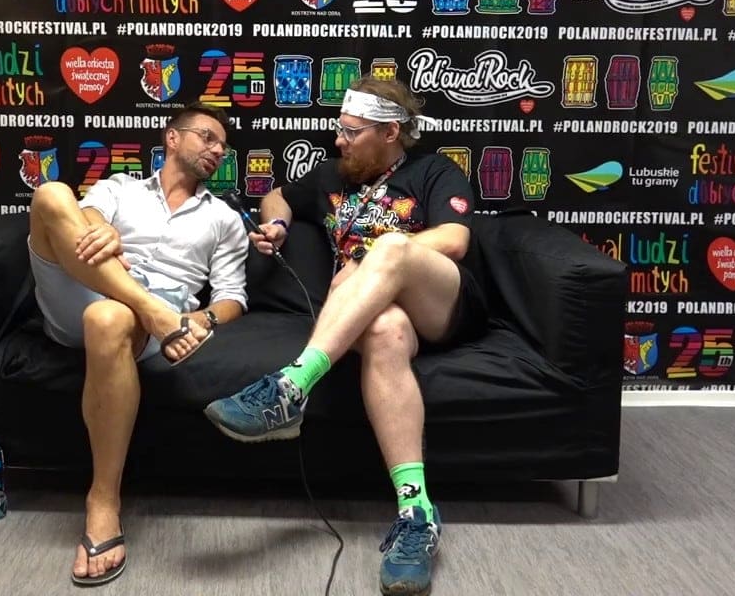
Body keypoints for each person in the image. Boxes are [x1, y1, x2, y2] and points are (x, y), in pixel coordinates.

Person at [203, 76, 487, 596]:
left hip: (440, 303)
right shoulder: (332, 175)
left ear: (391, 132)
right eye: (341, 129)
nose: (339, 140)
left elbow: (453, 239)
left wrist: (366, 257)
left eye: (352, 132)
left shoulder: (433, 171)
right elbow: (277, 196)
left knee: (391, 249)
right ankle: (417, 512)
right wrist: (279, 226)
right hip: (378, 315)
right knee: (384, 330)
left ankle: (292, 386)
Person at [28, 102, 248, 586]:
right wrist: (101, 227)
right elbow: (82, 219)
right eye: (207, 137)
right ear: (173, 137)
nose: (217, 150)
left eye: (223, 146)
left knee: (108, 318)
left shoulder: (225, 218)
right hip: (87, 286)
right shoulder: (119, 188)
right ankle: (150, 310)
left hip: (149, 313)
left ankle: (103, 502)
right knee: (50, 194)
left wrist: (198, 319)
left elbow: (232, 297)